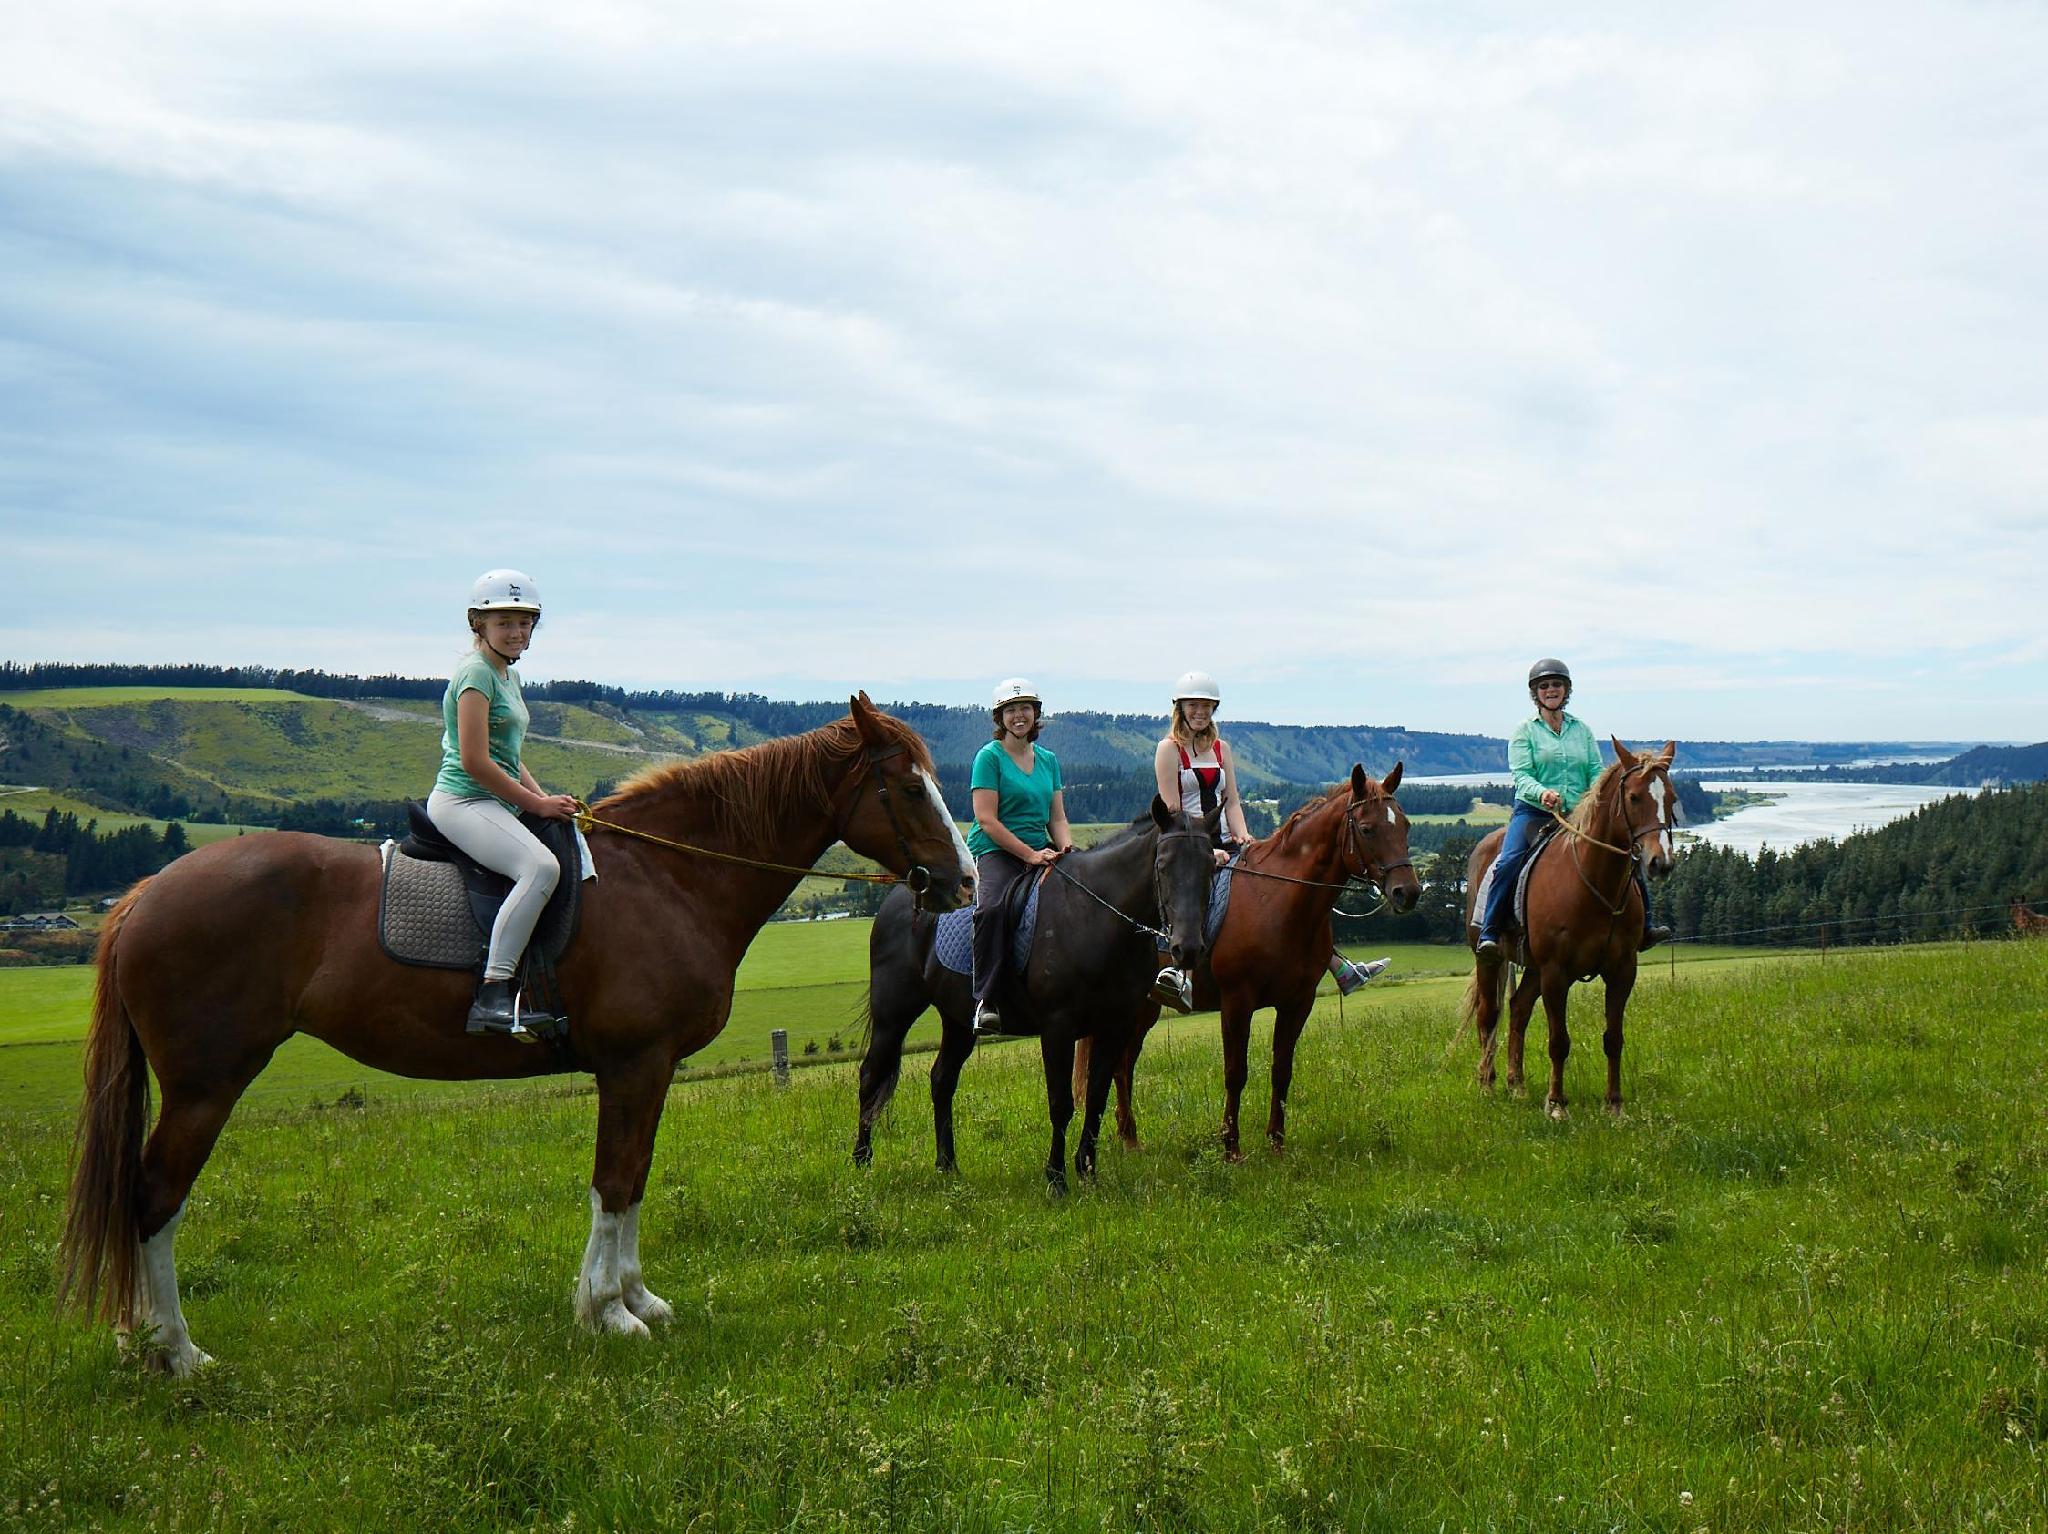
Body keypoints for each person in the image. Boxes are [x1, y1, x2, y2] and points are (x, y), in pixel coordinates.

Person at [1154, 672, 1385, 1001]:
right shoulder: (1168, 749)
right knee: (1194, 894)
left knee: (1284, 887)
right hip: (1188, 845)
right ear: (1180, 708)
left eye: (1206, 706)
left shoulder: (1221, 749)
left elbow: (1231, 801)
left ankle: (1336, 963)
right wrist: (1206, 852)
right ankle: (1183, 976)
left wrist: (1244, 835)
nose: (1200, 712)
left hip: (1225, 839)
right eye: (1193, 705)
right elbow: (1173, 810)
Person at [426, 569, 581, 1041]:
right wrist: (534, 804)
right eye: (504, 622)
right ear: (479, 625)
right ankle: (493, 994)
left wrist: (544, 801)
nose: (516, 632)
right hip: (464, 800)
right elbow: (475, 761)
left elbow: (509, 757)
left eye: (524, 622)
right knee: (541, 869)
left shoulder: (506, 673)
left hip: (496, 800)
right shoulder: (476, 675)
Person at [1475, 658, 1671, 960]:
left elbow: (1595, 770)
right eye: (1544, 686)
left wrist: (1594, 798)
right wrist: (1543, 794)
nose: (1551, 690)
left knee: (1625, 854)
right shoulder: (1525, 731)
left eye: (1557, 684)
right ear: (1535, 693)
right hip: (1534, 812)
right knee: (1510, 859)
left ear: (1566, 690)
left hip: (1581, 812)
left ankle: (1646, 925)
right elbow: (1521, 775)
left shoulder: (1582, 730)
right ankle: (1490, 930)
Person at [968, 678, 1074, 1037]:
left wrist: (1067, 849)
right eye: (1011, 710)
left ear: (1035, 714)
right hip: (997, 851)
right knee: (993, 908)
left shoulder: (1048, 760)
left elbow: (1056, 816)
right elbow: (986, 819)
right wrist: (1028, 854)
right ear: (1000, 717)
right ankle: (986, 999)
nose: (1019, 716)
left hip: (1041, 848)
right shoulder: (989, 757)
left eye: (1025, 709)